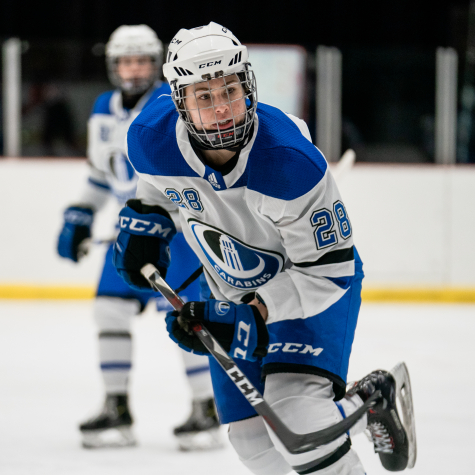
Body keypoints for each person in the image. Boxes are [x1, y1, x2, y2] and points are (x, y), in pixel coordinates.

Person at [114, 22, 416, 474]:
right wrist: (148, 217)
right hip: (229, 292)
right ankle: (361, 403)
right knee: (253, 442)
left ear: (248, 85)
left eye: (229, 91)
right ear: (180, 103)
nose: (222, 110)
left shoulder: (289, 164)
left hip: (311, 291)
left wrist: (255, 312)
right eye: (204, 97)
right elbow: (159, 183)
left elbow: (328, 273)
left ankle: (371, 399)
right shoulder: (149, 138)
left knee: (298, 421)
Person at [56, 24, 221, 450]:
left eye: (142, 61)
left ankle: (207, 406)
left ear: (156, 64)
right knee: (109, 310)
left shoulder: (171, 103)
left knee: (188, 316)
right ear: (114, 66)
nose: (133, 70)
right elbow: (101, 172)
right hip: (128, 235)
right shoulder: (101, 109)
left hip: (177, 236)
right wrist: (81, 213)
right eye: (126, 61)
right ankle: (117, 406)